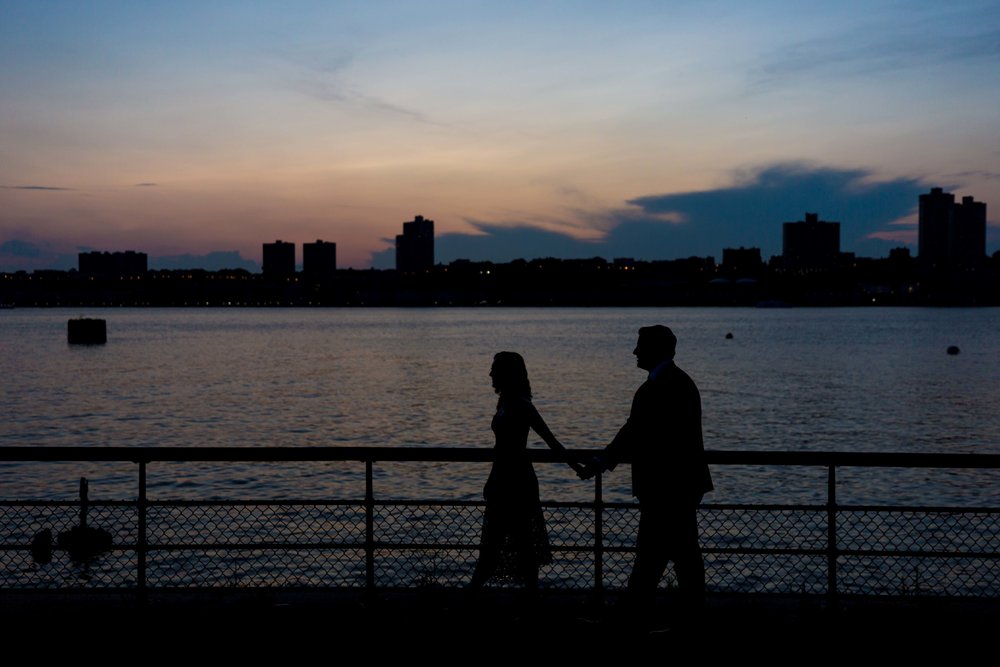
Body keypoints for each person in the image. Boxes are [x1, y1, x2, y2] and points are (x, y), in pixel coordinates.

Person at [581, 325, 713, 615]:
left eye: (640, 346)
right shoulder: (677, 382)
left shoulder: (658, 387)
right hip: (679, 486)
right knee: (679, 557)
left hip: (665, 487)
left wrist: (602, 461)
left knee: (655, 559)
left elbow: (635, 431)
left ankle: (638, 618)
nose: (635, 352)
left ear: (655, 349)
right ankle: (684, 619)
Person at [468, 351, 585, 591]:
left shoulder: (521, 405)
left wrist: (578, 467)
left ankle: (475, 602)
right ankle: (527, 605)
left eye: (495, 369)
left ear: (507, 374)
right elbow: (499, 449)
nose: (490, 373)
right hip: (503, 481)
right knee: (508, 547)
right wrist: (491, 481)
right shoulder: (505, 402)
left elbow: (551, 441)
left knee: (516, 547)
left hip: (518, 483)